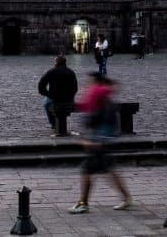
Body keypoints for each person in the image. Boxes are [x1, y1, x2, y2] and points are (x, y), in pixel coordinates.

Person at [68, 73, 131, 213]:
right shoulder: (100, 98)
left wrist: (95, 141)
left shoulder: (101, 97)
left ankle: (84, 203)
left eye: (90, 81)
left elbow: (104, 123)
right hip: (99, 141)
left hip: (99, 142)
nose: (87, 84)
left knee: (89, 170)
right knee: (106, 170)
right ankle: (126, 198)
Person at [38, 55, 78, 135]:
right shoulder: (71, 72)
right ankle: (57, 123)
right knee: (65, 104)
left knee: (46, 104)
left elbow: (41, 85)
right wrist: (70, 96)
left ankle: (54, 124)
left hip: (54, 98)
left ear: (56, 62)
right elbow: (75, 88)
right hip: (68, 98)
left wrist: (48, 94)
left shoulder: (51, 71)